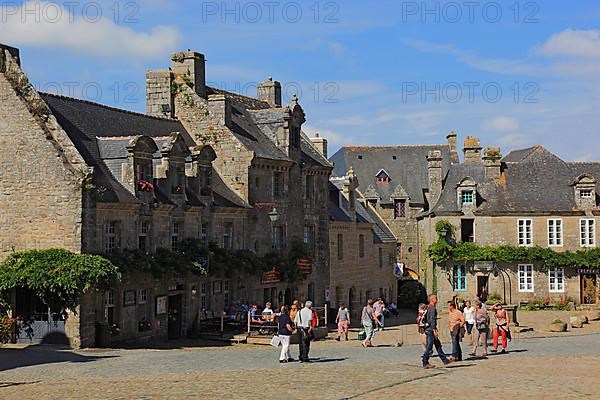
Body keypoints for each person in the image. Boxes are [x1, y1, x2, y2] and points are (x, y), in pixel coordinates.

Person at [422, 294, 451, 369]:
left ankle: (444, 360)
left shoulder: (427, 307)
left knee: (437, 344)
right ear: (432, 299)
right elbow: (432, 320)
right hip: (430, 329)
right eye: (435, 298)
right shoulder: (432, 308)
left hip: (428, 328)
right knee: (429, 347)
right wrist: (434, 330)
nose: (437, 299)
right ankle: (425, 361)